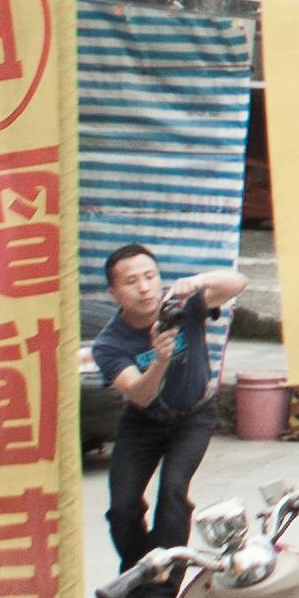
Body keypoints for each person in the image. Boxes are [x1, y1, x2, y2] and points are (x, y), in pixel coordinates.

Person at [87, 245, 244, 573]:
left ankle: (164, 589)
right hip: (142, 422)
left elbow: (238, 283)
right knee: (122, 506)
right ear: (114, 293)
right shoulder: (109, 344)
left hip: (194, 416)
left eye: (149, 277)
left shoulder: (183, 308)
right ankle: (138, 574)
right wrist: (159, 360)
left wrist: (199, 280)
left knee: (173, 491)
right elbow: (139, 396)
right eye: (131, 282)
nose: (144, 288)